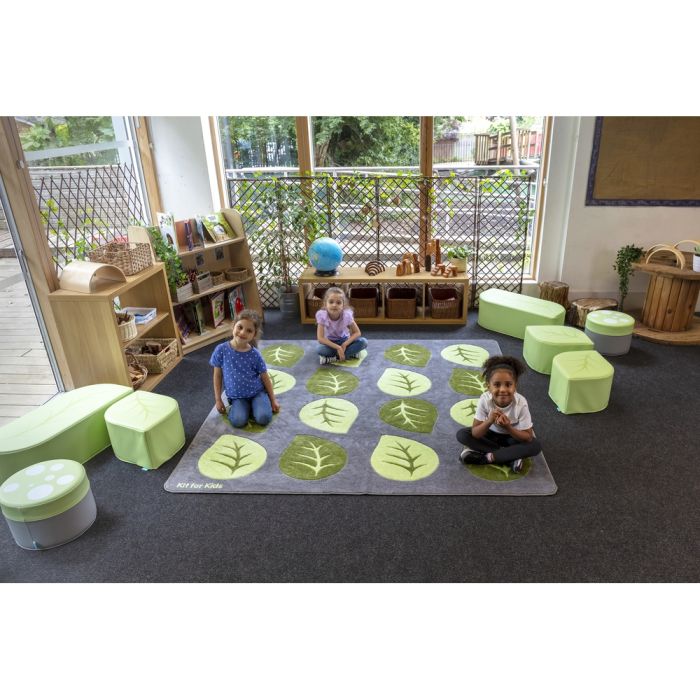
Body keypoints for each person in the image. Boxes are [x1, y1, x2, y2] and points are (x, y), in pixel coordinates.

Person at [456, 355, 541, 473]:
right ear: (488, 387)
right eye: (497, 385)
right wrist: (489, 421)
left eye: (508, 384)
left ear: (515, 385)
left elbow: (528, 436)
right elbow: (475, 433)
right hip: (490, 436)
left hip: (512, 438)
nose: (503, 390)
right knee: (462, 435)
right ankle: (509, 456)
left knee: (535, 446)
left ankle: (487, 457)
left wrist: (508, 427)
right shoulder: (484, 399)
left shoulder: (521, 403)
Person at [210, 309, 280, 427]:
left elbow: (265, 377)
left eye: (249, 330)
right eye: (240, 327)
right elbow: (217, 376)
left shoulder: (255, 354)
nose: (242, 332)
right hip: (237, 396)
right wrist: (218, 399)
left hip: (256, 393)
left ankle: (258, 404)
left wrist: (273, 400)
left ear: (254, 335)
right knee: (238, 421)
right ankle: (249, 408)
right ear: (233, 326)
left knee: (264, 418)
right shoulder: (221, 350)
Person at [315, 286, 368, 365]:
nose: (334, 305)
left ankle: (334, 358)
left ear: (343, 305)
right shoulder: (322, 316)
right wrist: (338, 347)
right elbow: (321, 338)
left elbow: (357, 333)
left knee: (363, 342)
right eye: (331, 302)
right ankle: (349, 354)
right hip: (330, 343)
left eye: (338, 303)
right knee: (319, 349)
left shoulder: (347, 315)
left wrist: (344, 344)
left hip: (344, 340)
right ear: (325, 304)